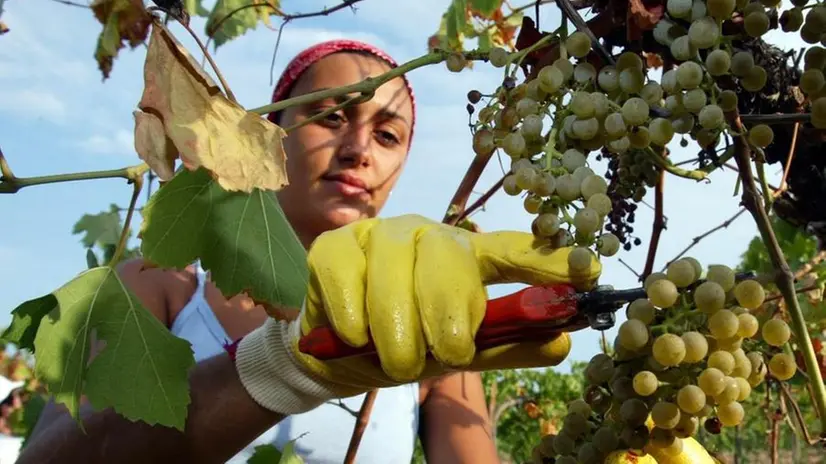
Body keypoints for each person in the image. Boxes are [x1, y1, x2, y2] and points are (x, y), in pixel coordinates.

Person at [18, 40, 601, 464]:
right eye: (328, 116)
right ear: (273, 133)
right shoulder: (155, 286)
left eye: (388, 134)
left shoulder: (434, 330)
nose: (357, 149)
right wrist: (279, 367)